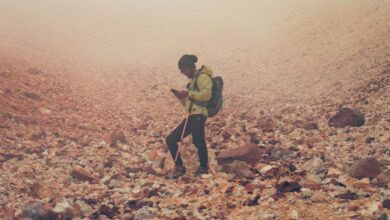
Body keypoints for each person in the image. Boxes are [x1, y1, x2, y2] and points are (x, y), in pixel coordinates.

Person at [166, 54, 213, 178]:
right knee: (171, 139)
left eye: (184, 70)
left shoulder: (203, 77)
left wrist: (188, 93)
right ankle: (180, 167)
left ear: (190, 67)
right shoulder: (192, 82)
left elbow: (206, 95)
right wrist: (181, 97)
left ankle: (203, 168)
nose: (184, 73)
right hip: (191, 115)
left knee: (199, 141)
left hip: (199, 115)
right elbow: (189, 103)